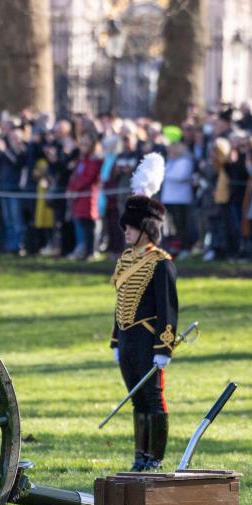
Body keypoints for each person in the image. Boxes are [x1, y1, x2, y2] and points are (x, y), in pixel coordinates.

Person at [109, 153, 178, 472]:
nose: (126, 232)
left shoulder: (161, 262)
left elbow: (168, 310)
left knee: (153, 399)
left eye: (132, 227)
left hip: (150, 342)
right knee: (136, 400)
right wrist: (115, 340)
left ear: (146, 229)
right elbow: (121, 300)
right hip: (127, 340)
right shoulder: (125, 259)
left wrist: (164, 348)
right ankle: (140, 455)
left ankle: (155, 457)